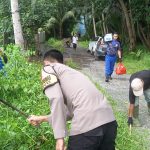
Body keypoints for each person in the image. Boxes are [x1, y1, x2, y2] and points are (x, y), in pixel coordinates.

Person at [28, 49, 118, 150]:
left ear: (46, 63)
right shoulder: (72, 73)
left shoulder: (47, 68)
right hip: (109, 122)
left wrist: (59, 138)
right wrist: (42, 118)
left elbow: (56, 98)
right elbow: (70, 112)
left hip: (87, 127)